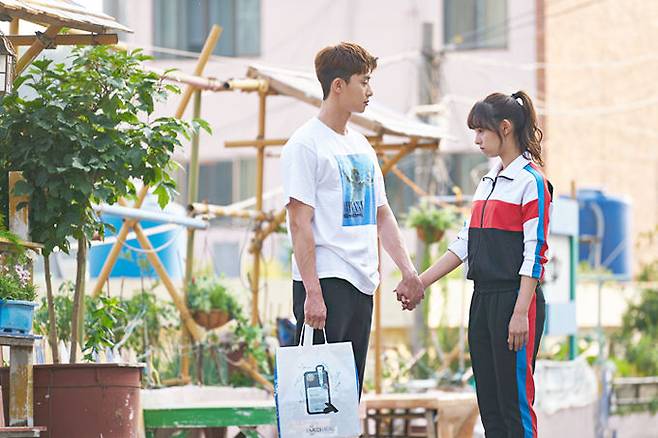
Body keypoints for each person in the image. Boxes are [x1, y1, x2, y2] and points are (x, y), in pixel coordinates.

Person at [280, 42, 425, 396]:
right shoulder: (305, 145)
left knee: (348, 395)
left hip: (362, 283)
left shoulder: (361, 146)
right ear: (338, 86)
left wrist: (408, 271)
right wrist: (313, 293)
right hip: (326, 282)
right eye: (364, 81)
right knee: (318, 398)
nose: (370, 91)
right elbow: (299, 223)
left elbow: (382, 214)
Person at [419, 91, 552, 437]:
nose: (476, 139)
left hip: (515, 300)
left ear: (504, 128)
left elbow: (535, 253)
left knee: (514, 406)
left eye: (481, 131)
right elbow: (465, 241)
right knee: (490, 406)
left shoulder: (532, 182)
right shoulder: (487, 182)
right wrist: (421, 281)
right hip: (482, 299)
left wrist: (520, 312)